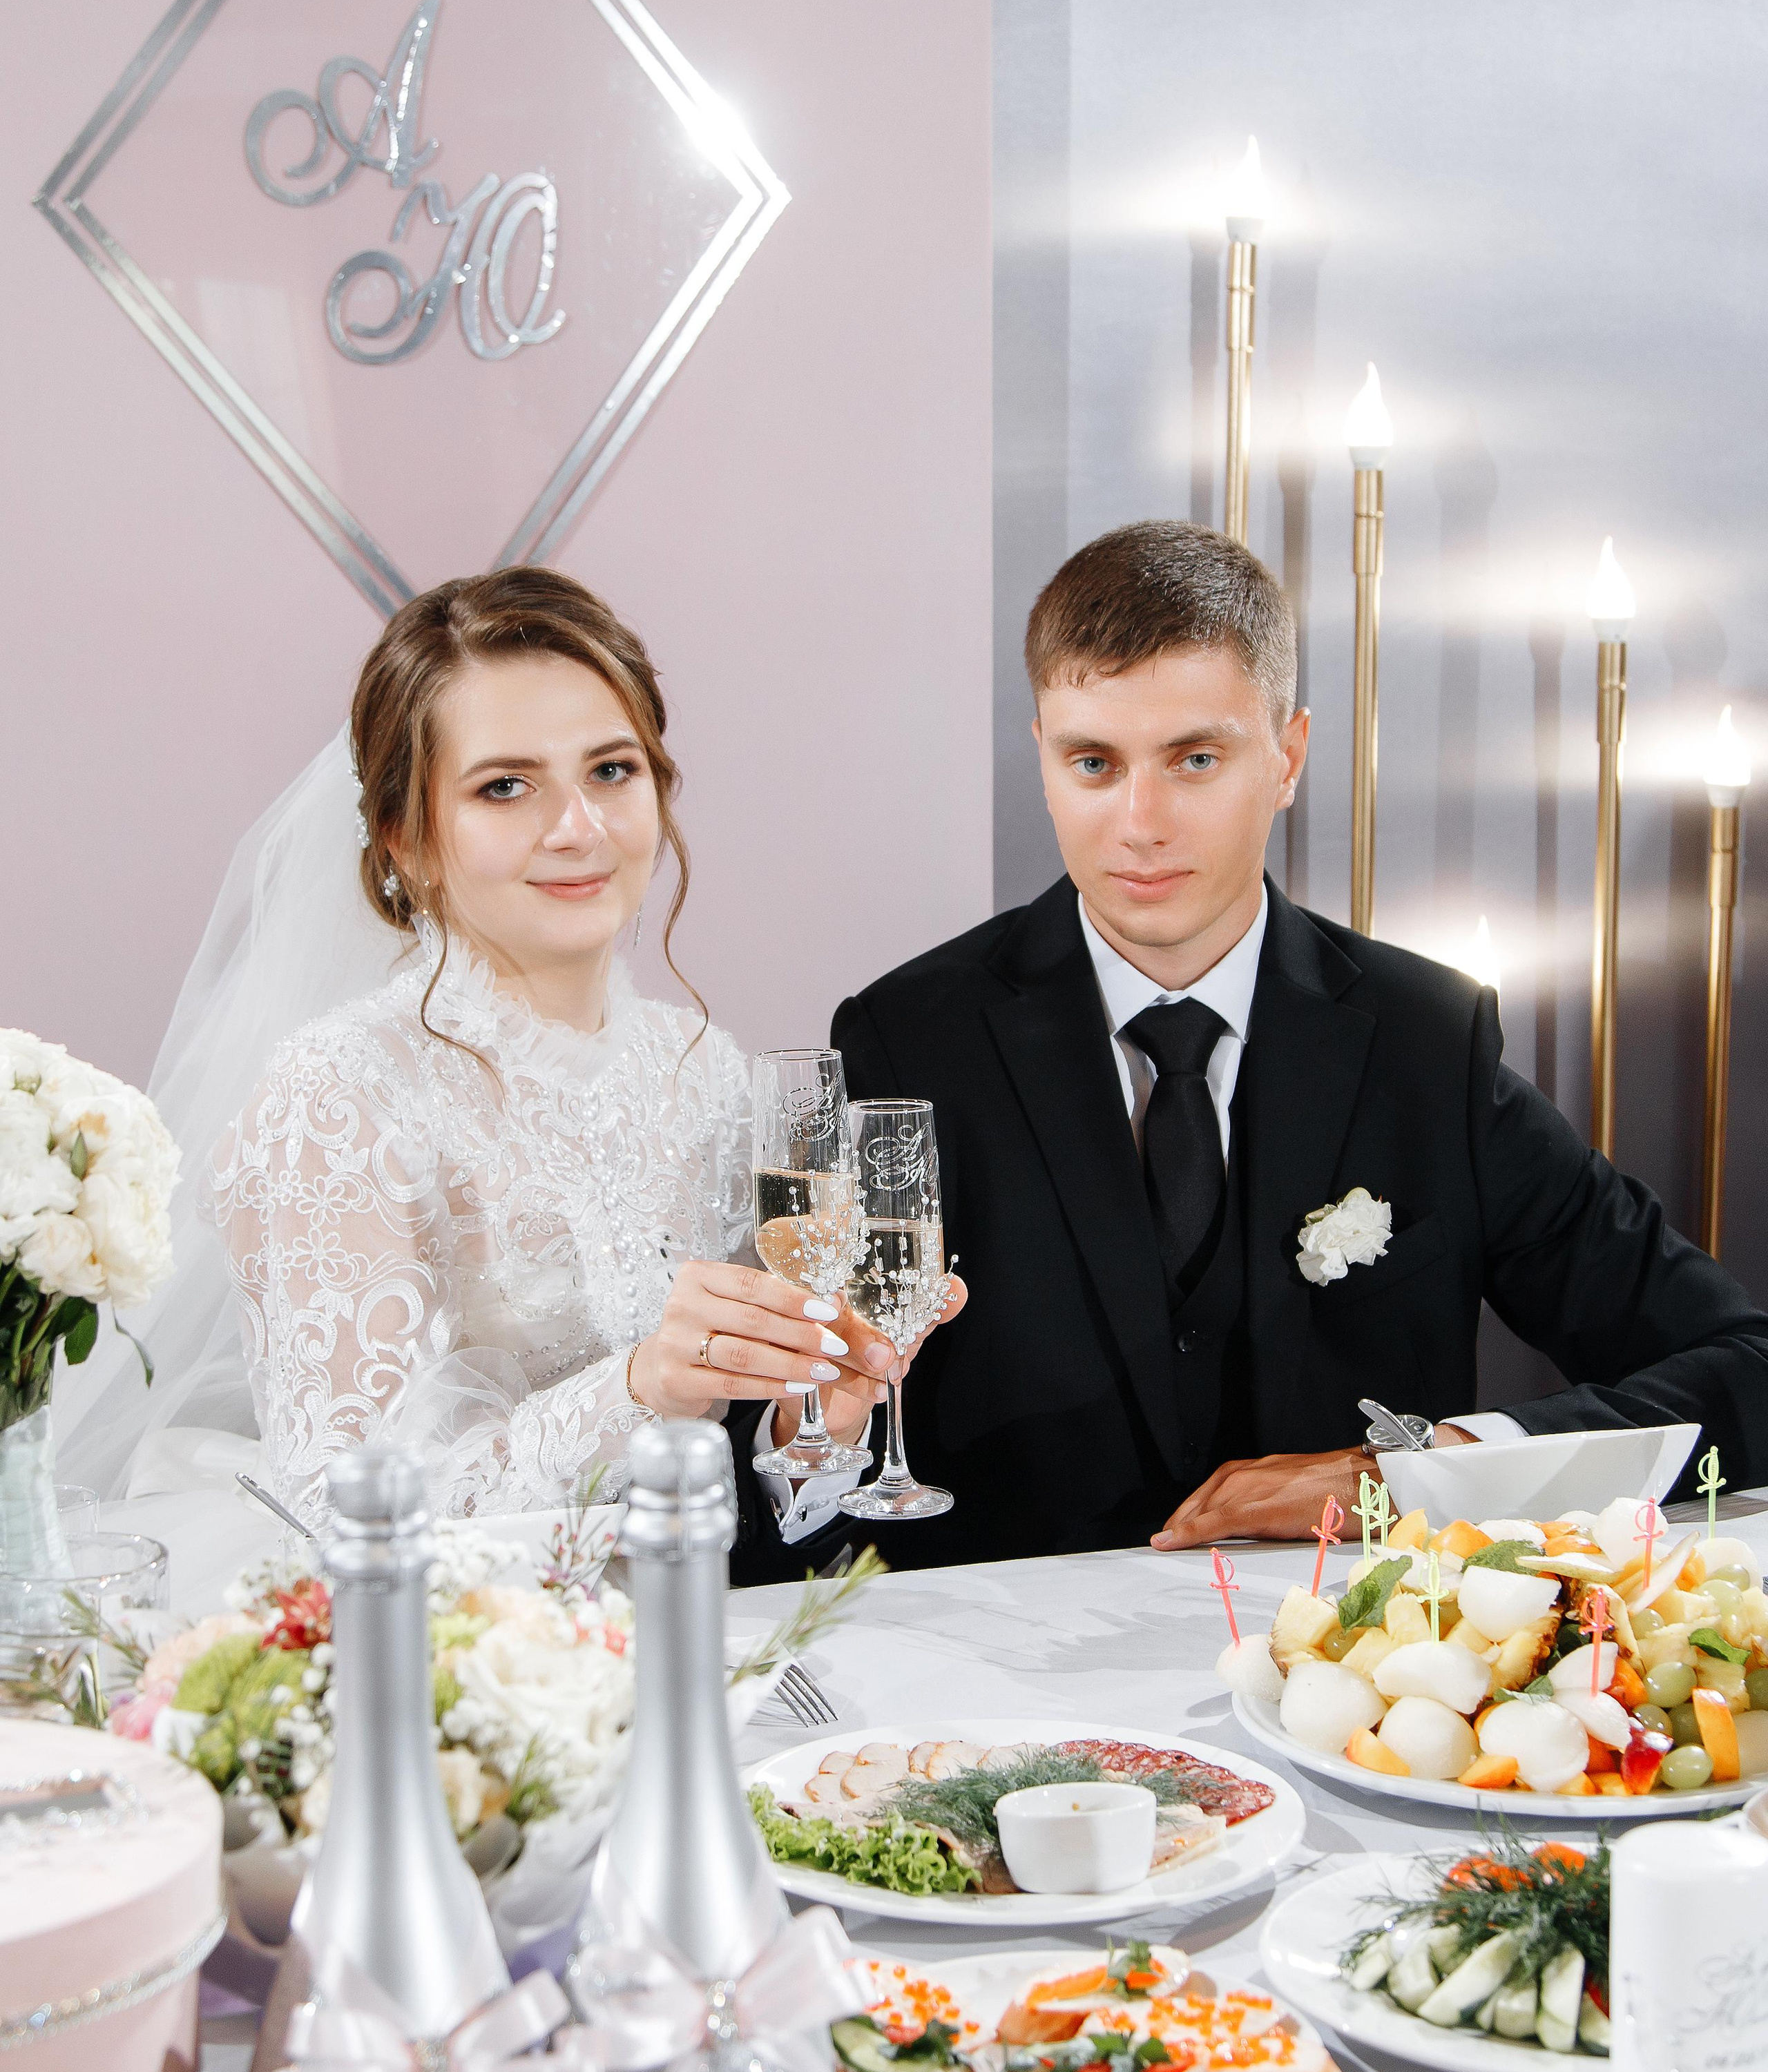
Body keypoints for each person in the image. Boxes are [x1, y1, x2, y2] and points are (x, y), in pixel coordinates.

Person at [829, 519, 1768, 1571]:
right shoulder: (905, 1041)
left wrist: (1415, 1470)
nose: (1140, 822)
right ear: (1043, 753)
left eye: (1195, 759)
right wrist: (812, 1417)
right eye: (1094, 762)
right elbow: (803, 1450)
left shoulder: (1429, 1041)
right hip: (1002, 1659)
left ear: (1289, 756)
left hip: (1346, 1660)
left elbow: (1746, 1366)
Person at [188, 568, 951, 1537]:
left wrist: (822, 1412)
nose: (578, 828)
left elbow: (759, 1506)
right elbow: (342, 1517)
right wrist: (636, 1388)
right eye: (505, 787)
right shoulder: (338, 1096)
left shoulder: (703, 1069)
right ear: (405, 840)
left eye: (611, 771)